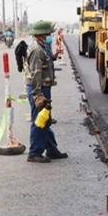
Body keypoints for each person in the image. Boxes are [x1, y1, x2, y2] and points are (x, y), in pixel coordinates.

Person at [25, 20, 68, 163]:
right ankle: (34, 153)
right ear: (42, 34)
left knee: (45, 120)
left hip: (43, 87)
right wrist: (38, 94)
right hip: (39, 88)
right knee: (40, 121)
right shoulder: (37, 50)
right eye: (48, 32)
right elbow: (36, 73)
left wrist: (53, 57)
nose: (50, 34)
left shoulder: (41, 47)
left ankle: (51, 150)